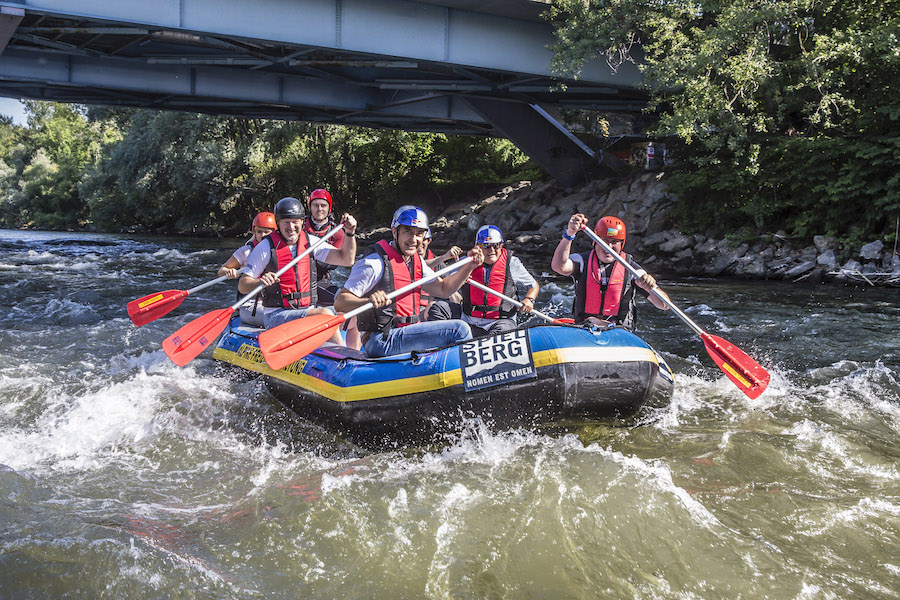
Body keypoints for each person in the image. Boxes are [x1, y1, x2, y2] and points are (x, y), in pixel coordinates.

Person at [333, 205, 484, 358]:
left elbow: (443, 289)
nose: (414, 239)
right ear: (394, 232)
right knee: (459, 330)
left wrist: (469, 266)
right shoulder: (374, 263)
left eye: (419, 234)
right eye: (408, 232)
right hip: (382, 339)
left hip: (405, 332)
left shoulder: (416, 262)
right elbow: (340, 302)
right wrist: (368, 301)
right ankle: (462, 377)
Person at [238, 197, 357, 344]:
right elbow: (243, 285)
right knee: (324, 314)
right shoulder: (265, 248)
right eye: (286, 222)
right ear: (278, 224)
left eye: (295, 222)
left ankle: (354, 357)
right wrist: (259, 282)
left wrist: (350, 233)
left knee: (357, 313)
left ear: (302, 221)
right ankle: (344, 358)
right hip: (276, 315)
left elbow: (347, 259)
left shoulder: (311, 243)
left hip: (307, 310)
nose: (291, 227)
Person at [551, 214, 669, 330]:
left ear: (621, 244)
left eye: (614, 242)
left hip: (619, 331)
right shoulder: (582, 261)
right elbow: (558, 267)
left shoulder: (632, 270)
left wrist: (650, 287)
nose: (609, 247)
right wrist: (569, 234)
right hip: (584, 329)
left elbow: (664, 305)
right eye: (605, 241)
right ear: (595, 241)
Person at [428, 225, 540, 337]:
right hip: (467, 318)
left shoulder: (512, 263)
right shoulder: (466, 262)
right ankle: (440, 346)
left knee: (502, 332)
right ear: (478, 246)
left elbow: (533, 285)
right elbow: (448, 284)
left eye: (495, 246)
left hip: (500, 321)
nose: (491, 250)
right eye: (486, 246)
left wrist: (529, 299)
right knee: (438, 308)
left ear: (501, 245)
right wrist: (463, 273)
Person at [302, 188, 345, 306]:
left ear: (329, 209)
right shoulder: (299, 227)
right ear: (310, 208)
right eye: (315, 205)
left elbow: (334, 263)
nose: (319, 209)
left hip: (320, 280)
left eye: (323, 205)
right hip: (299, 279)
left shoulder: (337, 233)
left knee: (343, 298)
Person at [417, 227, 463, 319]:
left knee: (454, 296)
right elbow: (418, 266)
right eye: (420, 239)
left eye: (424, 240)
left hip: (430, 308)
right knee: (432, 307)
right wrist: (445, 256)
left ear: (429, 241)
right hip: (415, 310)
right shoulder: (407, 262)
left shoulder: (439, 265)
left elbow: (449, 287)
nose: (421, 243)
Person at [217, 211, 276, 280]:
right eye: (259, 232)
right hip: (251, 287)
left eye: (266, 232)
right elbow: (221, 271)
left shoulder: (280, 250)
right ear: (254, 232)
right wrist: (228, 271)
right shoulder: (246, 251)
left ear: (273, 233)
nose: (263, 235)